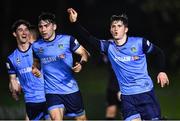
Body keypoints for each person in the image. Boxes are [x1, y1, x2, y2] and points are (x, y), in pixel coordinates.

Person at [67, 8, 169, 120]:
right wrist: (75, 23)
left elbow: (159, 53)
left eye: (119, 26)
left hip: (145, 94)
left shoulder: (140, 43)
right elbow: (89, 38)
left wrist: (162, 71)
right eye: (113, 26)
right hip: (127, 98)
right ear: (110, 30)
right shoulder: (108, 47)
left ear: (126, 29)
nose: (116, 29)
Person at [32, 12, 90, 121]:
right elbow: (36, 63)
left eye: (46, 26)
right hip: (51, 91)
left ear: (54, 26)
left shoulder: (68, 40)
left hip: (71, 90)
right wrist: (35, 68)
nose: (43, 29)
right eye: (40, 26)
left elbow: (85, 53)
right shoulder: (36, 46)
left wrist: (81, 65)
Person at [6, 19, 49, 120]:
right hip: (31, 102)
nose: (24, 32)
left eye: (26, 29)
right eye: (20, 30)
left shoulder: (39, 49)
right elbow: (12, 79)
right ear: (14, 34)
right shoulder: (11, 59)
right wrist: (14, 90)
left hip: (48, 97)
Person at [101, 54, 122, 120]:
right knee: (111, 111)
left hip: (125, 88)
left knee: (127, 113)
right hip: (112, 87)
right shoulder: (109, 50)